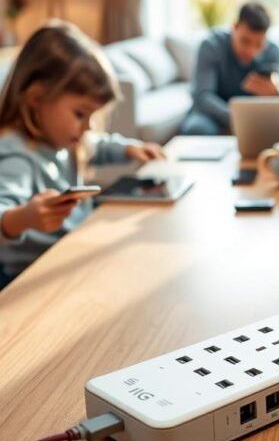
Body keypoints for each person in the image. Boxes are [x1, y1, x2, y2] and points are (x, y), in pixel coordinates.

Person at [0, 22, 164, 287]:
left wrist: (128, 148)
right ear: (36, 97)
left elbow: (96, 145)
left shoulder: (62, 139)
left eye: (92, 116)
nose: (87, 126)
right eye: (80, 114)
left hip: (71, 255)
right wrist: (26, 217)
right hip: (31, 279)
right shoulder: (17, 156)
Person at [180, 2, 279, 135]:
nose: (251, 52)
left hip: (257, 116)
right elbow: (202, 96)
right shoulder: (211, 46)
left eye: (258, 45)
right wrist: (238, 118)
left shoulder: (273, 51)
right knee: (196, 129)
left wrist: (277, 93)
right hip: (214, 115)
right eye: (245, 41)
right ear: (235, 27)